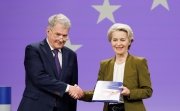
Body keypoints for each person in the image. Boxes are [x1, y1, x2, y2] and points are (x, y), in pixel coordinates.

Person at [18, 13, 83, 111]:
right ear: (48, 31)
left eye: (64, 35)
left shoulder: (71, 55)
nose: (61, 39)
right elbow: (39, 78)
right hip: (35, 107)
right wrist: (68, 88)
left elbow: (72, 87)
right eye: (58, 34)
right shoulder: (33, 50)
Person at [81, 23, 153, 111]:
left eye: (122, 40)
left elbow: (147, 91)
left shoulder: (139, 62)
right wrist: (81, 94)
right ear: (110, 41)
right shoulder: (104, 64)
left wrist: (130, 92)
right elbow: (98, 92)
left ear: (129, 41)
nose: (118, 43)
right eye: (115, 40)